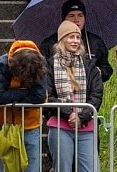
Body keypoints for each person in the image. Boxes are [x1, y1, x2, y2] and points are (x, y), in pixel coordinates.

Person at [44, 21, 103, 172]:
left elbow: (96, 95)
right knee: (63, 168)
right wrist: (69, 113)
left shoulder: (90, 66)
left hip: (86, 126)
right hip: (60, 125)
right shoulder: (49, 66)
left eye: (78, 37)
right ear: (62, 39)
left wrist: (81, 117)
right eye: (71, 37)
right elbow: (47, 95)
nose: (75, 41)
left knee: (91, 168)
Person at [0, 40, 48, 172]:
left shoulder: (39, 64)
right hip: (2, 123)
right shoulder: (3, 63)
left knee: (32, 167)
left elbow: (39, 97)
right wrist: (24, 92)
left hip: (29, 124)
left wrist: (11, 96)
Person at [39, 0, 113, 82]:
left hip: (89, 92)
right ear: (64, 18)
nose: (76, 19)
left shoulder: (95, 41)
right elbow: (41, 70)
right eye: (71, 15)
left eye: (80, 15)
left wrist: (99, 73)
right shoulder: (49, 43)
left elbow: (106, 68)